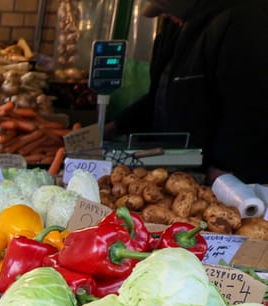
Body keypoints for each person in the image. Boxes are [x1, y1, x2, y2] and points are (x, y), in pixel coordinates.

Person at [109, 0, 268, 184]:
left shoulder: (240, 21)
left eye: (168, 10)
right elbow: (159, 97)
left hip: (226, 176)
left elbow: (248, 108)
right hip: (176, 167)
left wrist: (223, 168)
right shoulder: (174, 30)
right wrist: (116, 126)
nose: (166, 17)